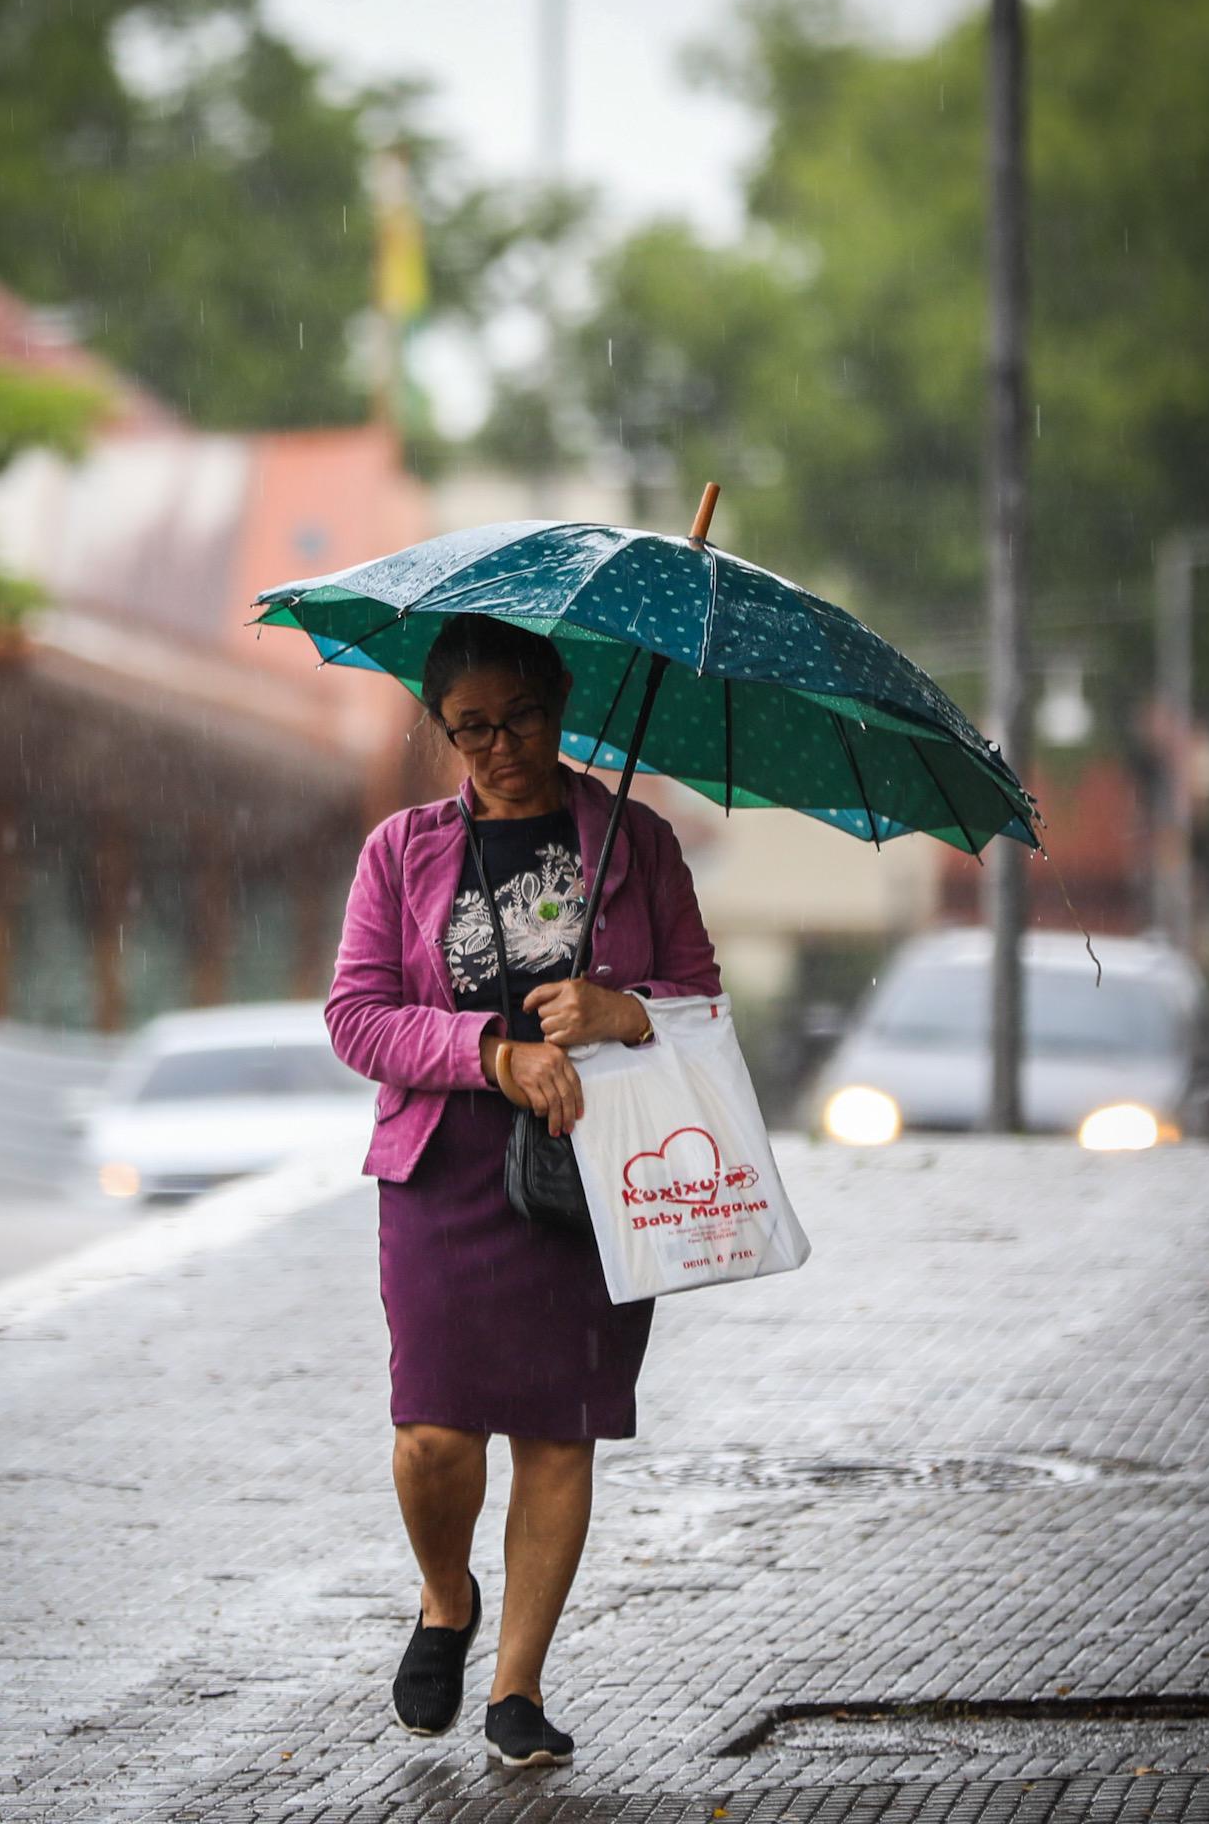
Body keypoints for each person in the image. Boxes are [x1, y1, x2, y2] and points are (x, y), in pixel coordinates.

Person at [325, 613, 721, 1769]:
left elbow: (698, 998)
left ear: (561, 708)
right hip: (444, 1166)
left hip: (590, 1172)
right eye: (471, 728)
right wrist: (490, 1053)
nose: (500, 747)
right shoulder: (399, 850)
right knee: (434, 1433)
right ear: (443, 728)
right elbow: (356, 1016)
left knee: (559, 1432)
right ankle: (447, 1598)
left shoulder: (634, 841)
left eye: (523, 718)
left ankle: (516, 1686)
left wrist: (622, 1010)